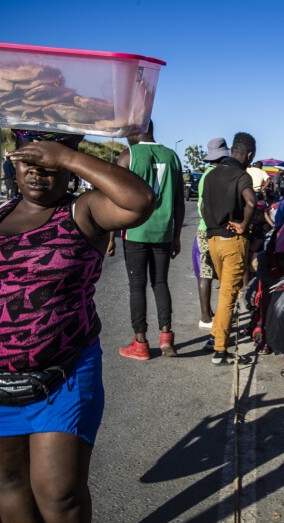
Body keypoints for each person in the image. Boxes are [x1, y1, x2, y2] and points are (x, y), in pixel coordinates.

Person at [0, 129, 154, 523]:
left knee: (59, 494)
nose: (38, 172)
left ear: (65, 166)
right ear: (14, 162)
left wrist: (66, 156)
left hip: (62, 375)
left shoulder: (85, 211)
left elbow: (140, 201)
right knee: (12, 486)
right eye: (29, 161)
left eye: (49, 164)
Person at [113, 121, 184, 360]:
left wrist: (109, 236)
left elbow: (113, 198)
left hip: (135, 231)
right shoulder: (172, 156)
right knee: (160, 282)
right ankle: (167, 340)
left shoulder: (128, 156)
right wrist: (175, 235)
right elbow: (179, 202)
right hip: (163, 231)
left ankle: (140, 343)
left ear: (135, 131)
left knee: (137, 286)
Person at [201, 132, 257, 364]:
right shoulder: (241, 176)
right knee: (228, 296)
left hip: (213, 241)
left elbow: (203, 205)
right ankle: (220, 350)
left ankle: (215, 336)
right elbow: (252, 202)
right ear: (250, 154)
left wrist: (214, 225)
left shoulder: (212, 175)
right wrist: (244, 224)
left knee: (224, 292)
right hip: (233, 242)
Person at [195, 137, 231, 332]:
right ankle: (205, 316)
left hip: (206, 228)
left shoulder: (207, 174)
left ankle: (207, 313)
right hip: (210, 228)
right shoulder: (212, 176)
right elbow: (203, 206)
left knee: (207, 271)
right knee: (207, 272)